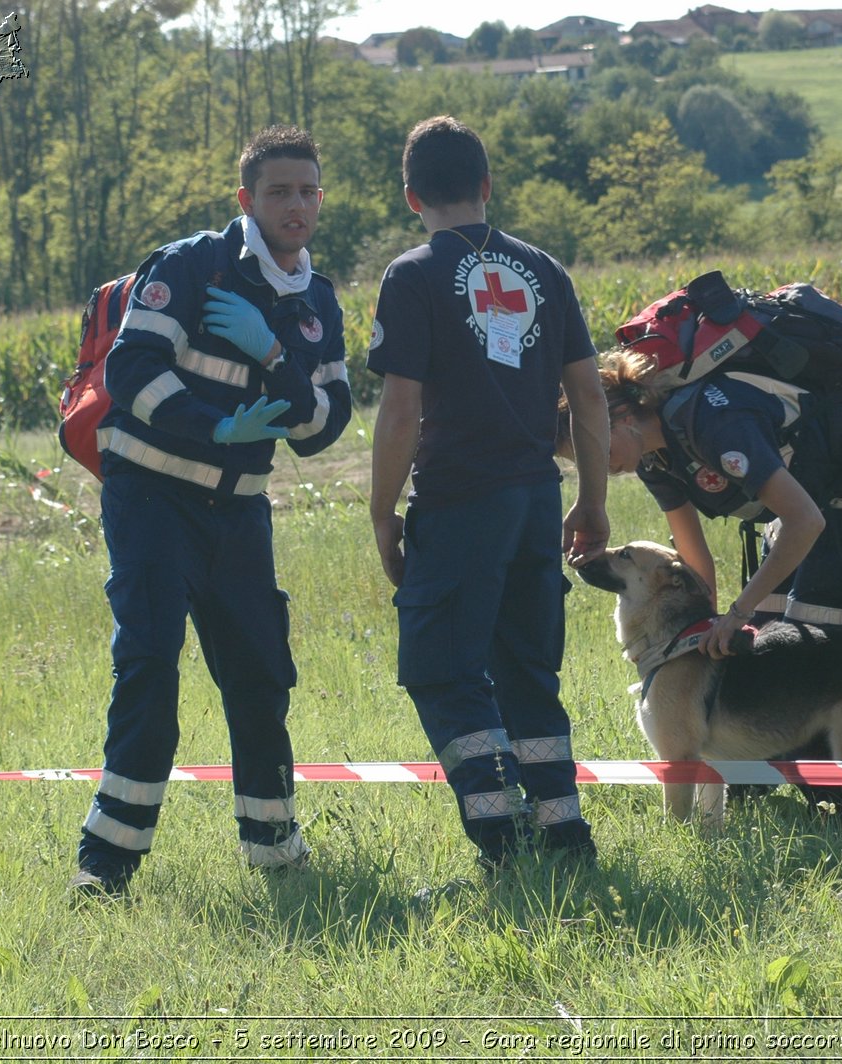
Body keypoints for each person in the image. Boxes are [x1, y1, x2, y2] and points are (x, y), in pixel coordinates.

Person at [72, 125, 352, 899]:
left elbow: (325, 425)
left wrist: (275, 358)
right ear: (247, 200)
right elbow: (131, 371)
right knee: (150, 670)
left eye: (308, 191)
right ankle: (105, 865)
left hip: (240, 515)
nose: (296, 206)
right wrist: (214, 426)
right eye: (279, 192)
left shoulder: (316, 301)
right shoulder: (191, 263)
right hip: (152, 500)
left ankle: (274, 847)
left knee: (261, 676)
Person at [367, 116, 611, 871]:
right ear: (487, 185)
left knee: (442, 670)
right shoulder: (543, 269)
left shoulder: (410, 277)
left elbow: (401, 410)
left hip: (458, 502)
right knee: (527, 670)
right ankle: (565, 836)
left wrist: (382, 513)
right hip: (537, 496)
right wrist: (593, 498)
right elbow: (591, 398)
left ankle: (501, 840)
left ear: (412, 196)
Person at [561, 346, 842, 808]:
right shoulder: (653, 458)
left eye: (593, 451)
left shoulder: (712, 423)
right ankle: (763, 794)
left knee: (805, 653)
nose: (597, 468)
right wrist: (707, 627)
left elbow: (807, 522)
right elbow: (691, 560)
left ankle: (838, 812)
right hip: (795, 511)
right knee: (758, 647)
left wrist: (739, 611)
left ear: (620, 419)